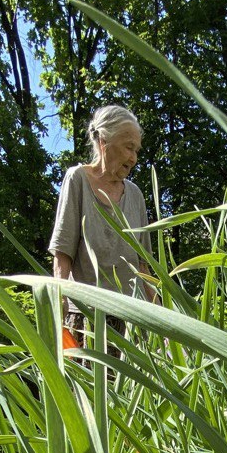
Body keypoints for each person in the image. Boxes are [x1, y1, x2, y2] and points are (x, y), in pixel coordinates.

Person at [48, 104, 154, 338]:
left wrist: (166, 321)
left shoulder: (135, 195)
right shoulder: (77, 179)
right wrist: (59, 300)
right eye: (129, 148)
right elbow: (62, 252)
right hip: (86, 319)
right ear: (104, 141)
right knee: (87, 376)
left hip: (132, 322)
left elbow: (143, 266)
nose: (133, 158)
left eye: (137, 150)